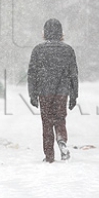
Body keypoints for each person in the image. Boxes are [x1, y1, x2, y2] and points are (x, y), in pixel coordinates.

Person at [27, 18, 79, 163]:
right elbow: (73, 74)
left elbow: (32, 73)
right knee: (60, 118)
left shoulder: (38, 50)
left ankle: (49, 155)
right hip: (62, 91)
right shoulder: (68, 50)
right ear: (61, 33)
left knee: (47, 122)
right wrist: (74, 95)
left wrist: (33, 93)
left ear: (45, 32)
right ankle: (62, 140)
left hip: (45, 91)